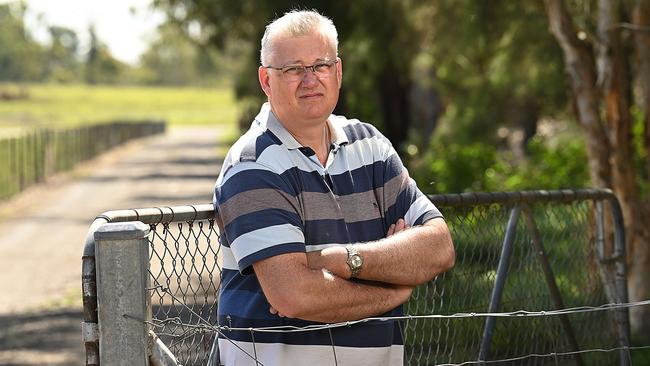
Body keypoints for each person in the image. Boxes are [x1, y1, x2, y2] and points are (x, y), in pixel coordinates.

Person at [210, 9, 455, 366]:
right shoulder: (253, 164)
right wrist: (394, 287)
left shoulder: (369, 145)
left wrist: (335, 260)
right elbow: (296, 296)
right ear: (266, 80)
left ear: (337, 72)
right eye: (293, 69)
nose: (310, 80)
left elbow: (439, 247)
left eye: (320, 65)